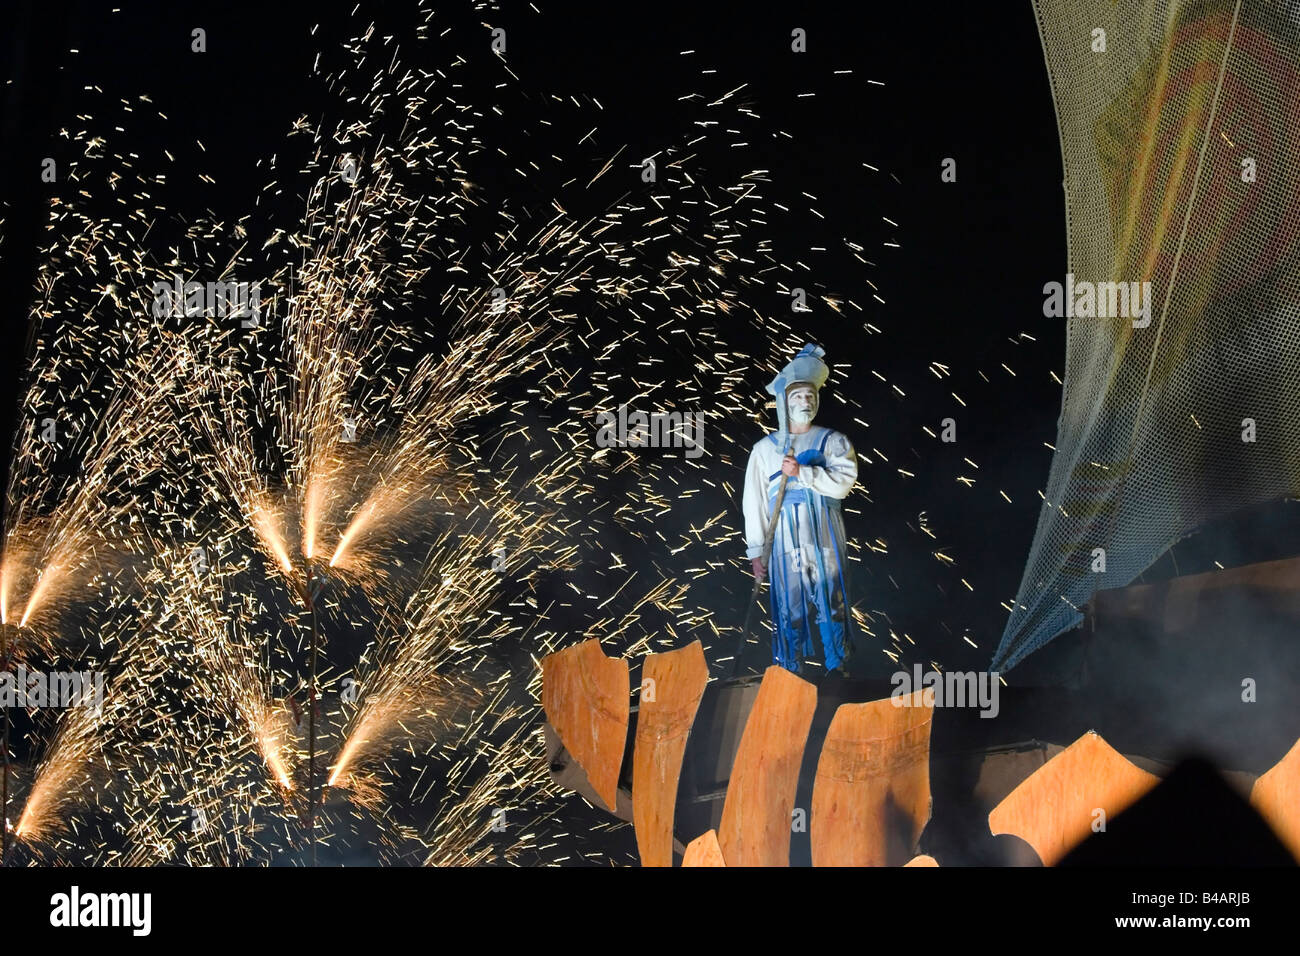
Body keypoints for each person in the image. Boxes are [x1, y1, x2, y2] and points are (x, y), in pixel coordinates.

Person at [742, 344, 859, 675]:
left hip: (823, 533)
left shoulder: (833, 441)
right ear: (784, 402)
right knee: (789, 605)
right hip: (783, 541)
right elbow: (755, 503)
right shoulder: (764, 450)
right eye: (797, 396)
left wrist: (803, 474)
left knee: (831, 598)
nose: (804, 402)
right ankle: (789, 673)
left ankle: (838, 668)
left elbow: (843, 483)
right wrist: (756, 551)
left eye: (810, 396)